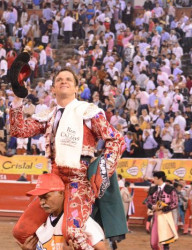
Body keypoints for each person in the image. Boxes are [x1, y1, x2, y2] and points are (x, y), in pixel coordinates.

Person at [11, 68, 126, 249]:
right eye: (59, 80)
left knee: (73, 233)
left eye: (68, 79)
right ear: (53, 89)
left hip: (79, 179)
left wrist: (103, 168)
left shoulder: (88, 112)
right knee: (21, 231)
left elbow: (117, 140)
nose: (63, 81)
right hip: (54, 181)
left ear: (76, 88)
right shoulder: (48, 115)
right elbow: (18, 130)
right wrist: (18, 98)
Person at [18, 173, 106, 250]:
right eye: (40, 198)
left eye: (46, 197)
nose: (42, 202)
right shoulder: (39, 227)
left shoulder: (80, 222)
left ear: (61, 193)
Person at [146, 171, 178, 250]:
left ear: (160, 179)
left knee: (165, 242)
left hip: (166, 216)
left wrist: (164, 208)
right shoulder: (152, 189)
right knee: (153, 243)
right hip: (156, 216)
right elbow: (148, 201)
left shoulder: (170, 189)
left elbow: (175, 203)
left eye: (155, 178)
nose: (153, 180)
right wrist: (152, 206)